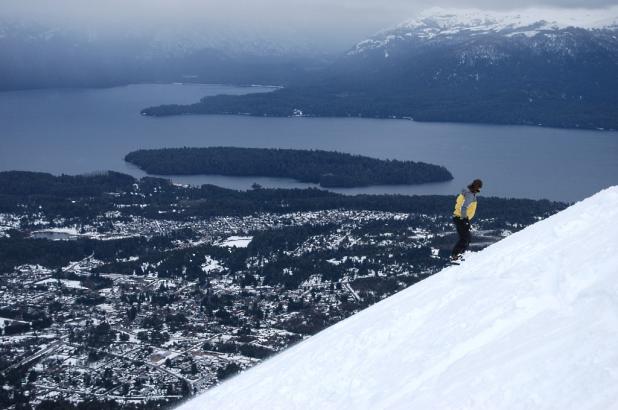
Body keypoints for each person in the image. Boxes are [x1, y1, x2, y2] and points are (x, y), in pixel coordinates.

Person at [451, 179, 483, 261]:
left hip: (458, 217)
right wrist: (465, 220)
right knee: (465, 238)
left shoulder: (466, 192)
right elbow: (464, 207)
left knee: (467, 238)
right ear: (478, 187)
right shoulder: (470, 195)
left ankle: (460, 254)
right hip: (461, 218)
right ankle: (455, 256)